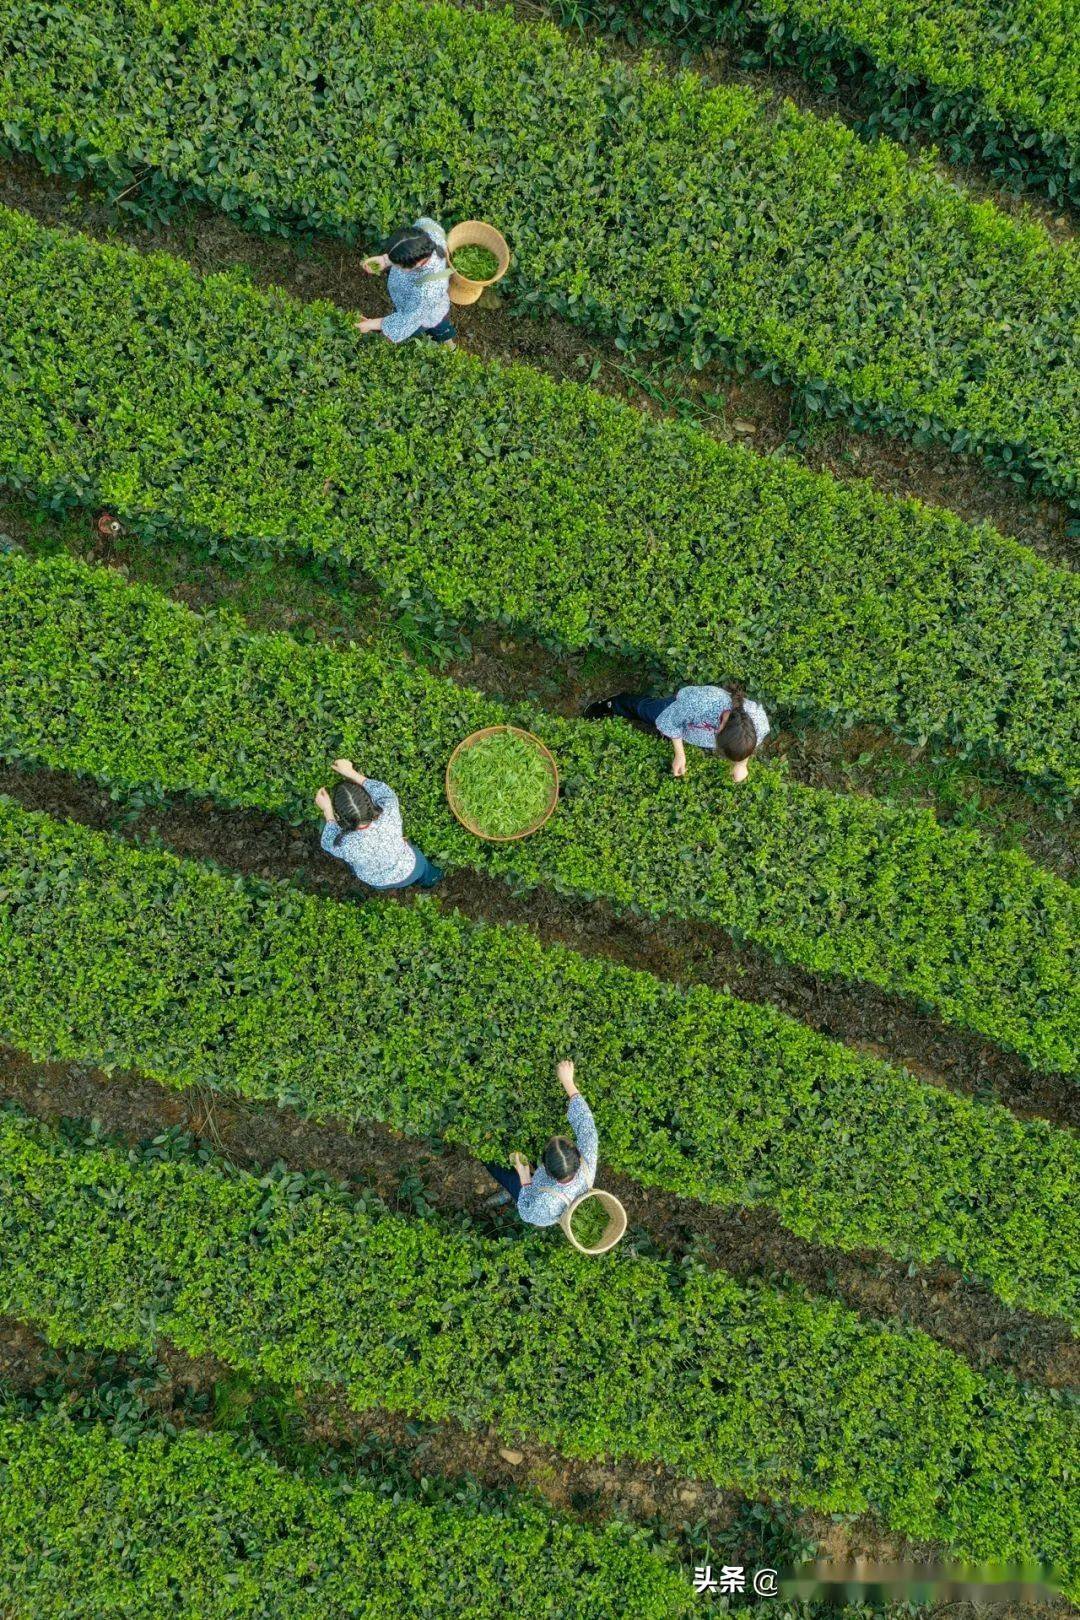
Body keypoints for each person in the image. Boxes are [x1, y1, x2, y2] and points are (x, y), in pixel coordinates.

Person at [484, 1061, 598, 1227]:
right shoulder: (588, 1161)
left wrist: (524, 1178)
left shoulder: (546, 1203)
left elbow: (527, 1212)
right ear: (578, 1155)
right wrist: (568, 1081)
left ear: (544, 1168)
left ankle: (509, 1191)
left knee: (502, 1173)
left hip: (534, 1191)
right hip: (547, 1186)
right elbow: (585, 1122)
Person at [584, 683, 769, 783]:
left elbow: (747, 743)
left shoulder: (757, 725)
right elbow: (671, 721)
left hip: (694, 727)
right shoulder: (701, 703)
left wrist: (741, 765)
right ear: (720, 727)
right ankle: (612, 703)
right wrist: (679, 754)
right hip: (676, 709)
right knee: (646, 710)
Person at [315, 758, 443, 890]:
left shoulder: (344, 844)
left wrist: (328, 811)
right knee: (426, 871)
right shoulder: (389, 811)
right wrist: (350, 772)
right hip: (410, 869)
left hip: (378, 881)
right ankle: (431, 880)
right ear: (369, 801)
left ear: (340, 817)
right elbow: (383, 791)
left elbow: (327, 842)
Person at [357, 216, 456, 347]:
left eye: (399, 265)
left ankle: (449, 344)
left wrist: (370, 324)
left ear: (416, 264)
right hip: (420, 304)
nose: (396, 266)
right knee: (438, 321)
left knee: (435, 323)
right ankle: (447, 340)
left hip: (424, 314)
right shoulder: (427, 228)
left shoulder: (427, 290)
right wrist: (384, 260)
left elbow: (407, 320)